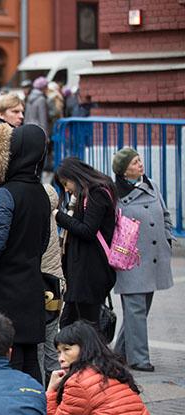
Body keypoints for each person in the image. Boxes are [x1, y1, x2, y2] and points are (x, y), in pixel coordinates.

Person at [0, 124, 49, 383]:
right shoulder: (41, 192)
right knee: (30, 360)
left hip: (5, 288)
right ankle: (35, 410)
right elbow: (44, 241)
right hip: (31, 285)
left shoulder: (7, 193)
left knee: (8, 358)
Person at [111, 149, 173, 372]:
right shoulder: (115, 193)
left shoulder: (152, 185)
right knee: (135, 309)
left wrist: (167, 237)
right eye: (135, 162)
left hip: (155, 257)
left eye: (139, 160)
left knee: (139, 310)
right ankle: (139, 359)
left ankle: (118, 354)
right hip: (131, 259)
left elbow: (165, 215)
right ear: (124, 170)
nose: (140, 164)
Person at [54, 157, 116, 327]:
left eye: (66, 184)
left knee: (82, 327)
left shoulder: (97, 194)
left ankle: (93, 354)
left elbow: (87, 231)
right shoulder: (84, 196)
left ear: (76, 177)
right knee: (72, 325)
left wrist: (59, 216)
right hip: (82, 274)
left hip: (91, 273)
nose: (66, 190)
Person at [39, 183, 65, 385]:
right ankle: (58, 390)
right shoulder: (47, 204)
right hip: (55, 282)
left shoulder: (32, 214)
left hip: (41, 282)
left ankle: (42, 392)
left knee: (40, 342)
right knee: (50, 339)